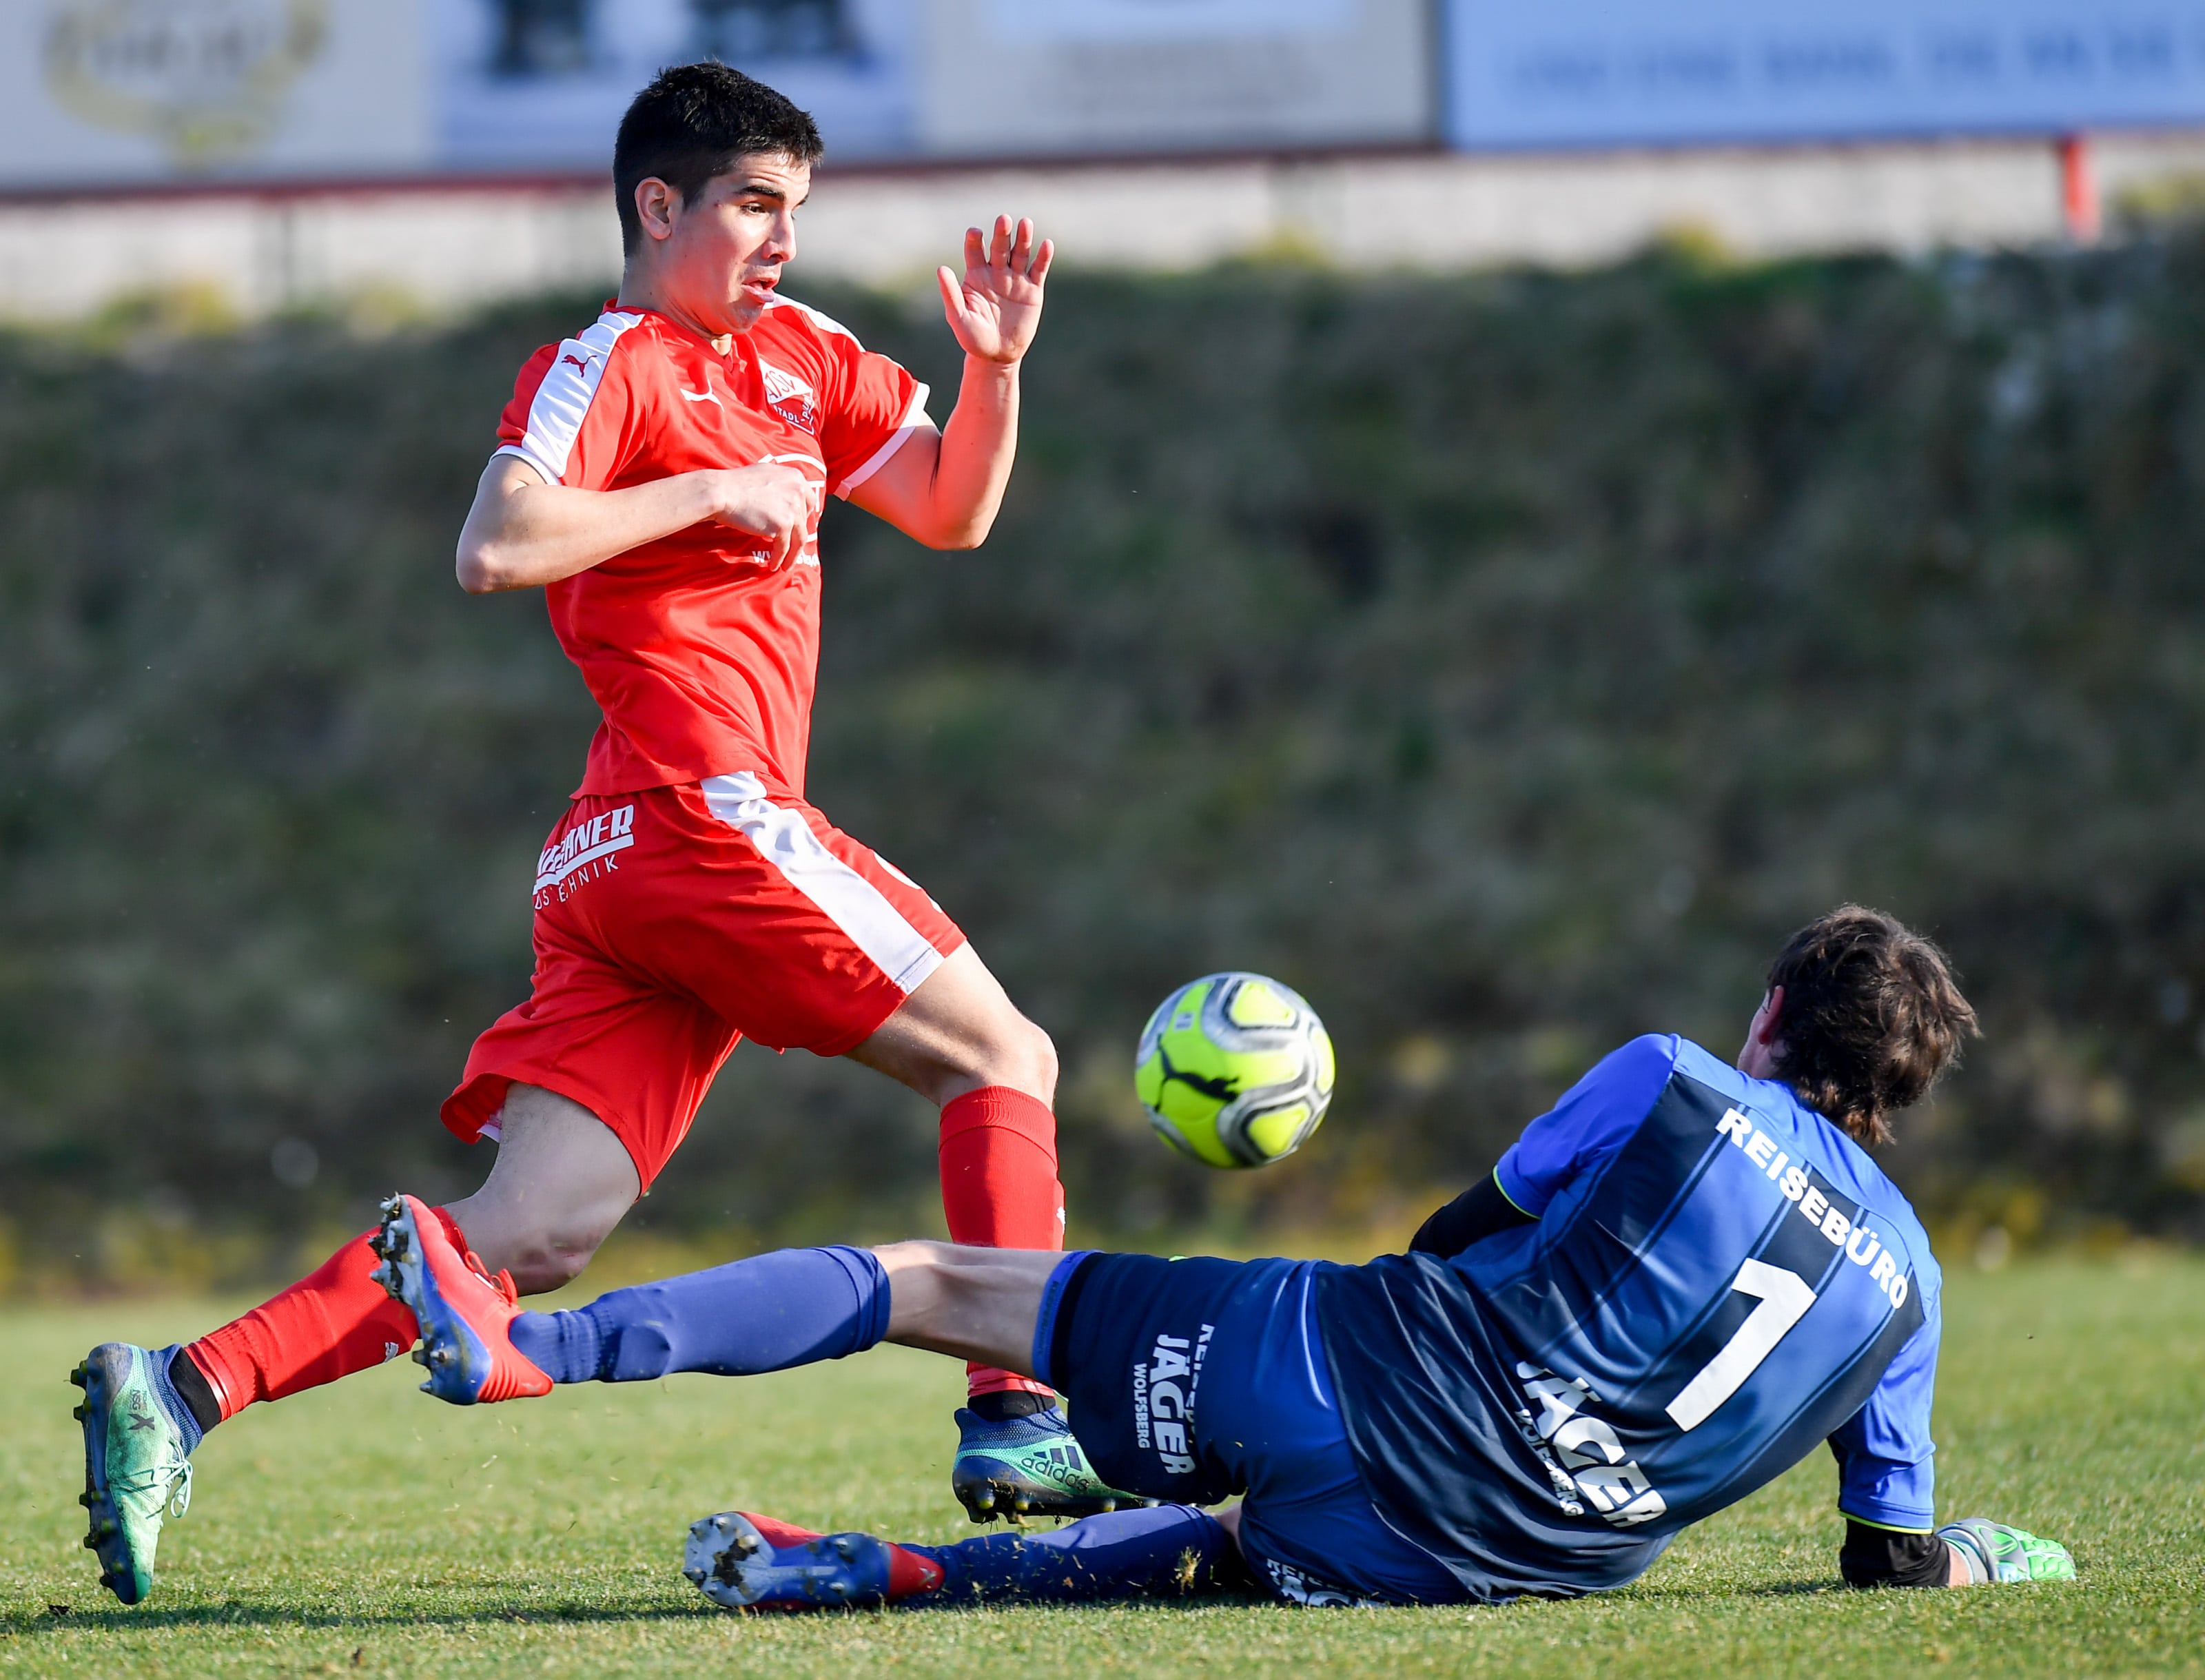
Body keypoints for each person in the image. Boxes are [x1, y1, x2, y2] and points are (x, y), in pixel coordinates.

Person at [72, 62, 1118, 1610]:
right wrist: (705, 490)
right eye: (752, 205)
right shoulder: (610, 360)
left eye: (795, 209)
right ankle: (1018, 1411)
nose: (781, 238)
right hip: (701, 811)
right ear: (657, 204)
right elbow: (496, 543)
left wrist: (995, 369)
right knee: (1003, 1056)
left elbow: (953, 508)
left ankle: (182, 1386)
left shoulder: (806, 353)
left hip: (624, 858)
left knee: (531, 1232)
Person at [373, 905, 2075, 1609]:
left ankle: (535, 1344)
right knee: (1234, 1543)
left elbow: (1462, 1231)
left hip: (1350, 1368)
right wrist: (1993, 1559)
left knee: (932, 1283)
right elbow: (1885, 1560)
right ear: (1901, 1090)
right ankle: (880, 1573)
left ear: (1771, 1014)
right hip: (1497, 1553)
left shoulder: (1680, 1080)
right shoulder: (1912, 1287)